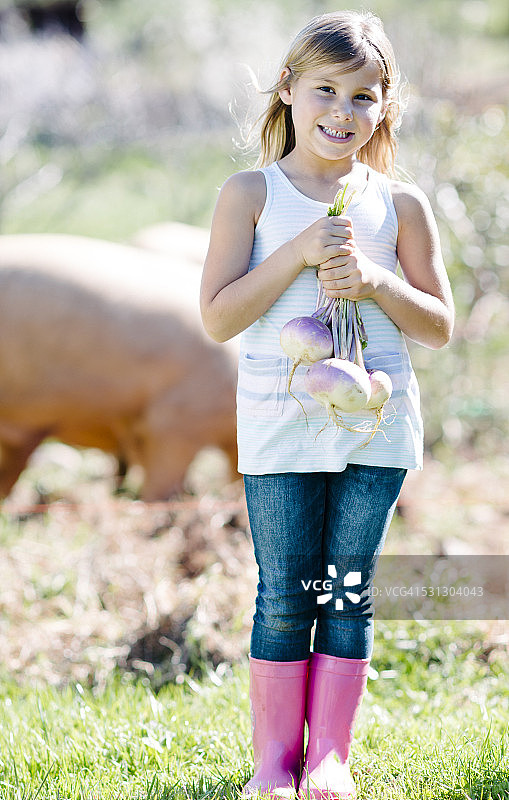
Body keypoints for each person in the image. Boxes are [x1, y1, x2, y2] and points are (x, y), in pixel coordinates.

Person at [200, 10, 454, 800]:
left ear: (385, 107)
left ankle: (328, 761)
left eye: (363, 97)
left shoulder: (398, 204)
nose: (342, 112)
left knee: (348, 587)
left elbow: (439, 326)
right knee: (284, 593)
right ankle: (273, 764)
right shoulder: (250, 193)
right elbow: (218, 317)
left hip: (374, 427)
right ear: (288, 88)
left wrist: (376, 284)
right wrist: (297, 255)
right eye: (325, 90)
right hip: (280, 429)